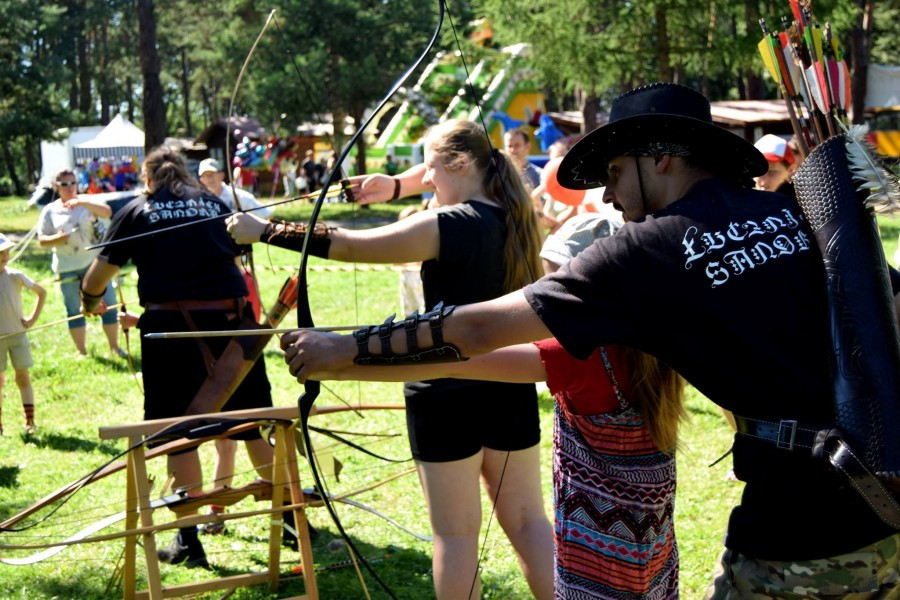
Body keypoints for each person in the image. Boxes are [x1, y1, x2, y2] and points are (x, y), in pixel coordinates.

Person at [279, 84, 900, 598]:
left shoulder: (646, 250)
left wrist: (342, 351)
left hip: (799, 543)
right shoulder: (795, 214)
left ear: (660, 158)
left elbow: (478, 328)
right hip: (884, 511)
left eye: (613, 170)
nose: (605, 195)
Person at [227, 119, 553, 600]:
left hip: (442, 386)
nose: (426, 178)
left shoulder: (450, 224)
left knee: (457, 538)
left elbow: (352, 244)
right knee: (527, 522)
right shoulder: (516, 217)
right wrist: (392, 186)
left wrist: (266, 230)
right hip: (509, 381)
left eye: (430, 167)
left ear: (459, 164)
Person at [281, 216, 683, 599]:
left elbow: (455, 357)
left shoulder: (575, 354)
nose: (547, 295)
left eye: (557, 286)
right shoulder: (661, 341)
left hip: (599, 553)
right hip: (649, 543)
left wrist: (340, 362)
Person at [80, 146, 285, 570]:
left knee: (177, 433)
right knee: (250, 423)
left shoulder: (139, 209)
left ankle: (188, 540)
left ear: (148, 178)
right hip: (233, 328)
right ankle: (290, 513)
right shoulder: (213, 203)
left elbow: (98, 277)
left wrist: (88, 302)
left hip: (172, 334)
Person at [37, 168, 123, 358]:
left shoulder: (87, 202)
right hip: (67, 267)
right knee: (74, 310)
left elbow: (107, 212)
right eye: (65, 184)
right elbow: (41, 240)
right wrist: (57, 239)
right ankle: (81, 352)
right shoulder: (50, 210)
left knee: (108, 305)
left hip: (94, 265)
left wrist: (82, 200)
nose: (70, 188)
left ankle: (115, 348)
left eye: (73, 183)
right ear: (56, 187)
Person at [0, 233, 46, 436]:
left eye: (6, 252)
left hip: (17, 335)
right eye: (1, 253)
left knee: (23, 376)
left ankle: (30, 421)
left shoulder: (15, 275)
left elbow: (41, 292)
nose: (4, 256)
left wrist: (32, 319)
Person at [752, 133, 797, 199]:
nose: (763, 181)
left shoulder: (802, 205)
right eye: (758, 172)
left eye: (772, 173)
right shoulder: (744, 202)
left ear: (791, 170)